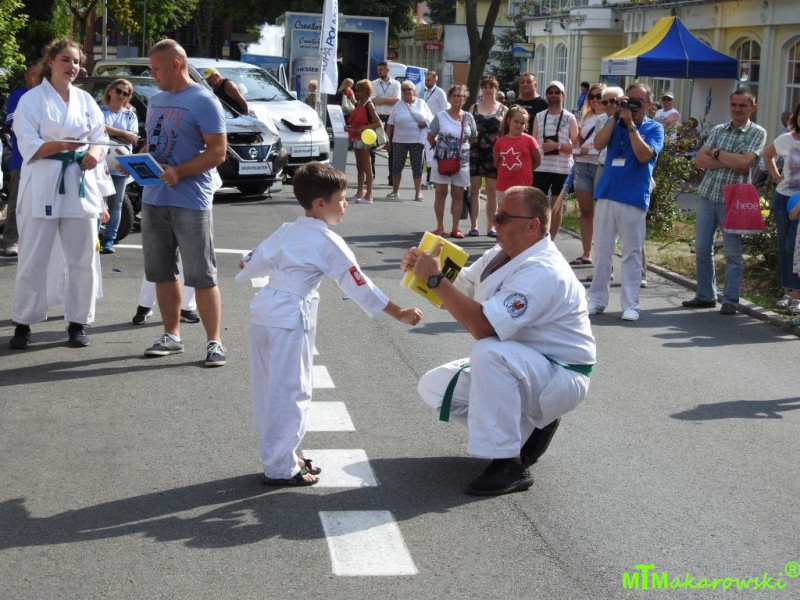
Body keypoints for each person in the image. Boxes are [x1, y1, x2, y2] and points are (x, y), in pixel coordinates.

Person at [235, 162, 422, 486]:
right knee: (292, 390)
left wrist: (256, 263)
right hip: (289, 316)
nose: (346, 205)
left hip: (264, 312)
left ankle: (283, 455)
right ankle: (280, 467)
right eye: (342, 199)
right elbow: (359, 284)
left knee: (268, 389)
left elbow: (249, 263)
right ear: (321, 203)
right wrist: (399, 312)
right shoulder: (327, 241)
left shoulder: (287, 230)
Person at [402, 186, 595, 496]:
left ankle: (510, 463)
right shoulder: (501, 254)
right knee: (434, 386)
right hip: (525, 362)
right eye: (495, 216)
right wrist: (423, 271)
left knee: (488, 352)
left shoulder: (544, 270)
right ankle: (528, 429)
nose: (494, 223)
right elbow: (463, 290)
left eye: (503, 218)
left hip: (559, 373)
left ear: (532, 225)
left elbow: (483, 327)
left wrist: (436, 280)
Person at [8, 38, 107, 350]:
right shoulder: (32, 100)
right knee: (33, 258)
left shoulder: (85, 100)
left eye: (76, 61)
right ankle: (23, 322)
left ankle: (78, 322)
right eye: (66, 59)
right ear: (50, 62)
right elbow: (28, 143)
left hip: (79, 182)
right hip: (43, 183)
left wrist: (94, 153)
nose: (72, 66)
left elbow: (100, 136)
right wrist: (63, 144)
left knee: (82, 259)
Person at [141, 39, 228, 366]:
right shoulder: (156, 100)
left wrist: (179, 171)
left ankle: (214, 342)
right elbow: (154, 143)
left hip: (191, 200)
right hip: (154, 197)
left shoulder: (204, 100)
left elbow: (218, 152)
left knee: (201, 275)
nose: (153, 75)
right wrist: (138, 161)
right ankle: (172, 335)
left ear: (176, 64)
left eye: (156, 69)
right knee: (162, 272)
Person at [682, 89, 767, 316]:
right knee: (702, 248)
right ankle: (705, 295)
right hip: (708, 194)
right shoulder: (719, 129)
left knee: (732, 253)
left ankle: (730, 300)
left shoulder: (757, 132)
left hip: (734, 200)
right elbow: (700, 160)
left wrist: (716, 153)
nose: (737, 109)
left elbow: (745, 164)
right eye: (734, 105)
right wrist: (731, 159)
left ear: (752, 108)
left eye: (743, 106)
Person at [586, 83, 664, 322]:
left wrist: (630, 126)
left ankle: (631, 304)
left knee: (631, 253)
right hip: (607, 192)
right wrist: (615, 117)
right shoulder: (615, 122)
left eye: (638, 101)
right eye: (629, 100)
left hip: (633, 196)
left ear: (648, 104)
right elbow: (598, 144)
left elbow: (644, 155)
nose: (633, 105)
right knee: (602, 250)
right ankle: (597, 299)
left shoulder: (654, 128)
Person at [762, 102, 800, 313]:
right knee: (784, 245)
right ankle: (787, 290)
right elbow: (767, 155)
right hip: (783, 198)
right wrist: (776, 176)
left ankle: (796, 294)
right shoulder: (786, 139)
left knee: (794, 245)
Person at [427, 84, 478, 238]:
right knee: (440, 193)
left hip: (462, 162)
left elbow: (473, 137)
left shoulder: (469, 117)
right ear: (449, 98)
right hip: (442, 161)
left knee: (457, 195)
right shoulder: (440, 116)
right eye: (454, 95)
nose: (457, 98)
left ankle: (455, 228)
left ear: (465, 99)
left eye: (460, 95)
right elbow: (430, 136)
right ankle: (440, 227)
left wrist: (462, 150)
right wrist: (442, 149)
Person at [3, 60, 42, 257]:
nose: (37, 78)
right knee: (18, 200)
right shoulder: (18, 95)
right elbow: (12, 121)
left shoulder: (47, 95)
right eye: (33, 74)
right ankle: (11, 240)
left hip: (46, 159)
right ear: (27, 76)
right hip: (22, 158)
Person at [99, 78, 139, 254]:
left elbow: (133, 138)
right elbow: (97, 128)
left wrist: (109, 132)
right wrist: (122, 133)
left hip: (120, 164)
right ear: (110, 90)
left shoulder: (130, 115)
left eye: (125, 93)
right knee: (98, 201)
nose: (121, 95)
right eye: (118, 91)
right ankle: (94, 238)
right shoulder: (99, 111)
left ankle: (109, 239)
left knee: (116, 204)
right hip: (100, 163)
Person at [569, 83, 606, 265]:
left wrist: (591, 146)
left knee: (600, 213)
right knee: (585, 210)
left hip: (600, 165)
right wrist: (577, 147)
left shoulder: (610, 117)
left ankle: (601, 254)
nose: (595, 100)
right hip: (583, 165)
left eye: (599, 96)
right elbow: (578, 138)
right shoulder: (586, 117)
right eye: (592, 96)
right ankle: (586, 253)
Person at [467, 76, 508, 237]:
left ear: (496, 89)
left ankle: (491, 227)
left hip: (494, 154)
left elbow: (506, 133)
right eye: (485, 86)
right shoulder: (474, 107)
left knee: (492, 192)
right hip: (475, 153)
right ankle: (474, 225)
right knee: (474, 190)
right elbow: (467, 129)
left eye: (491, 86)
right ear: (482, 88)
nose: (488, 89)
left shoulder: (503, 109)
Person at [493, 106, 541, 233]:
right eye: (516, 121)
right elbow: (497, 162)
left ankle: (518, 237)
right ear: (509, 120)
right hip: (503, 185)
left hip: (523, 185)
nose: (519, 125)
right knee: (503, 212)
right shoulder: (500, 142)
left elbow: (537, 161)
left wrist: (526, 170)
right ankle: (501, 235)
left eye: (522, 123)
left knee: (520, 213)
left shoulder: (530, 140)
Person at [385, 81, 433, 202]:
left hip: (417, 141)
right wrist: (387, 140)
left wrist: (425, 123)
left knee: (417, 167)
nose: (407, 91)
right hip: (399, 141)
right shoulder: (398, 105)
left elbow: (431, 118)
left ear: (414, 91)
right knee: (397, 166)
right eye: (404, 89)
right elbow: (390, 124)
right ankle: (395, 191)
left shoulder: (421, 103)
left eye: (409, 89)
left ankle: (418, 193)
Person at [531, 81, 578, 201]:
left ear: (563, 95)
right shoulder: (539, 116)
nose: (553, 95)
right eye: (550, 92)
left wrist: (557, 146)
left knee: (557, 206)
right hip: (540, 168)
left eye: (557, 92)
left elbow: (577, 148)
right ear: (546, 95)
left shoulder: (570, 117)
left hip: (562, 169)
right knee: (538, 204)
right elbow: (533, 144)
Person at [346, 79, 382, 204]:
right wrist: (350, 127)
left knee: (367, 166)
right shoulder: (359, 103)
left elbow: (378, 122)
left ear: (366, 91)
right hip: (356, 136)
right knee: (359, 165)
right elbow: (356, 121)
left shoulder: (368, 104)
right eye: (356, 90)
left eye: (359, 90)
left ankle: (369, 195)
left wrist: (363, 128)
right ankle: (359, 193)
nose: (356, 93)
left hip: (365, 138)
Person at [370, 61, 401, 184]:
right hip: (377, 117)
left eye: (381, 70)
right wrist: (389, 100)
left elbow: (397, 100)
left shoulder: (396, 84)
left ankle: (392, 178)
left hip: (391, 119)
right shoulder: (374, 83)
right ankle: (371, 176)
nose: (378, 72)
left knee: (391, 148)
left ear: (387, 70)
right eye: (378, 70)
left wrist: (380, 100)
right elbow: (373, 100)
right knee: (372, 147)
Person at [421, 70, 449, 190]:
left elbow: (444, 109)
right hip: (426, 128)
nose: (426, 82)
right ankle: (430, 179)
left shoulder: (439, 92)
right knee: (428, 155)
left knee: (432, 154)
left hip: (436, 127)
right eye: (426, 80)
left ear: (435, 79)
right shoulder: (425, 92)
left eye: (429, 80)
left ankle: (432, 180)